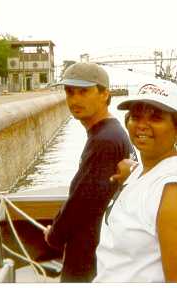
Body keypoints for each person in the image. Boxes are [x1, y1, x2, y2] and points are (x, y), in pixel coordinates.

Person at [94, 80, 177, 282]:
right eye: (136, 117)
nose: (142, 125)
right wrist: (132, 171)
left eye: (156, 118)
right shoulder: (147, 170)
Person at [43, 62, 134, 282]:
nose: (74, 100)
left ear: (105, 94)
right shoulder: (112, 133)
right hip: (101, 246)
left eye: (83, 92)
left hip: (89, 254)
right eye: (69, 92)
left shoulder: (103, 141)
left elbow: (81, 203)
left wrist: (54, 236)